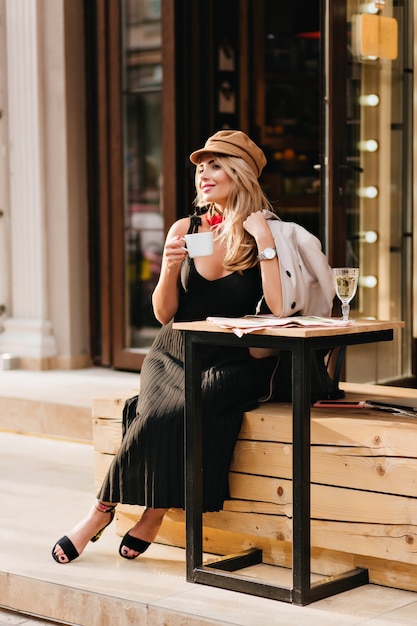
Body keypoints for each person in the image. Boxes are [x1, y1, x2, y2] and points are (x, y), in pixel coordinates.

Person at [52, 130, 334, 564]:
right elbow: (165, 314)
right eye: (201, 167)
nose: (204, 174)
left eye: (216, 165)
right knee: (160, 407)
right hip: (174, 349)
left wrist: (264, 245)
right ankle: (102, 511)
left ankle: (149, 510)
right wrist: (167, 268)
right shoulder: (187, 228)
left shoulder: (268, 232)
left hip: (235, 356)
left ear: (240, 174)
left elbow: (279, 309)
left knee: (170, 411)